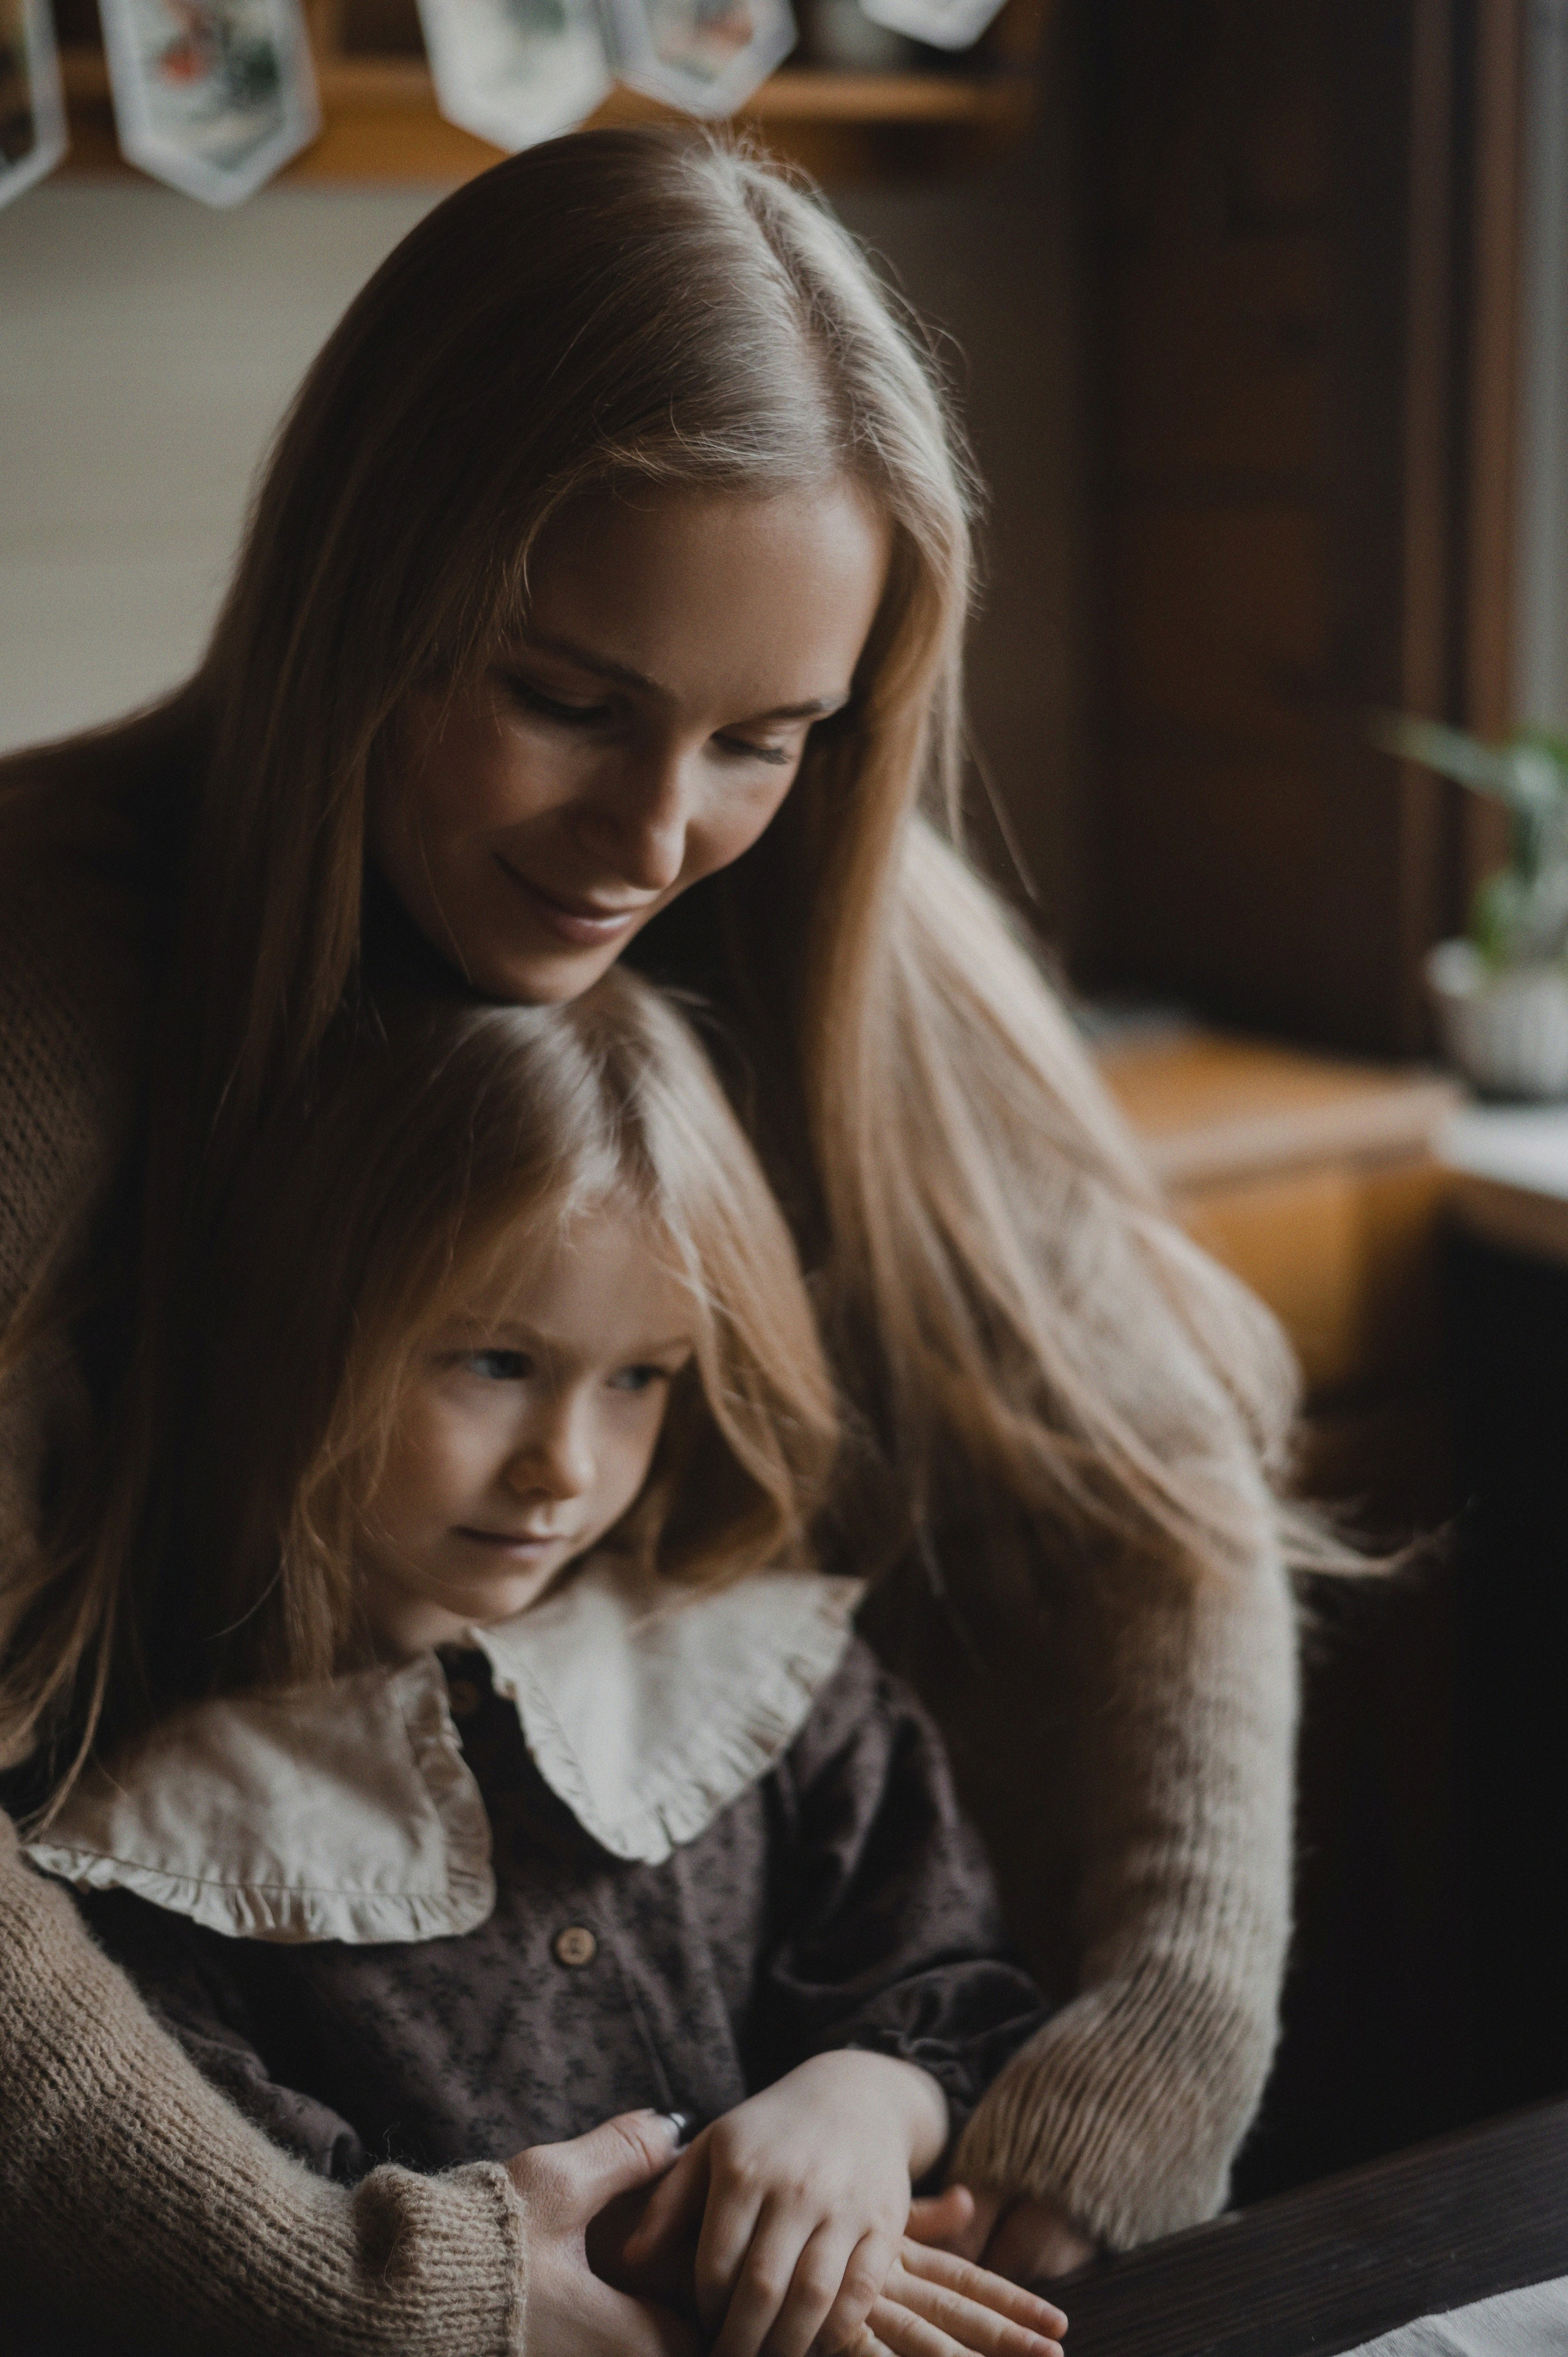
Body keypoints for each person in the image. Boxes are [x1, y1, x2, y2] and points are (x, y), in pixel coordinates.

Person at [0, 126, 1304, 2353]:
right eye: (568, 700)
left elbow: (1155, 1489)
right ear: (365, 586)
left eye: (763, 738)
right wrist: (361, 2296)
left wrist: (1134, 2072)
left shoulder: (839, 898)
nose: (656, 836)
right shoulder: (46, 973)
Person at [26, 975, 1071, 2357]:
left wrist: (861, 2105)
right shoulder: (151, 1849)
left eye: (639, 1377)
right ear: (293, 1322)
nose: (564, 1467)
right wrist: (684, 2260)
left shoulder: (765, 1680)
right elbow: (256, 2231)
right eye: (496, 1361)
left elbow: (948, 1973)